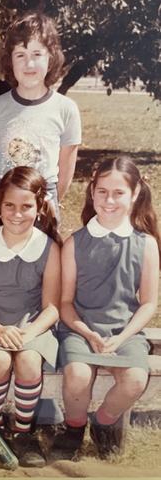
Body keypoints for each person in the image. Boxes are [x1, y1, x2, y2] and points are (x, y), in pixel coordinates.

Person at [54, 156, 159, 460]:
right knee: (77, 376)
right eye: (102, 191)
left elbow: (148, 302)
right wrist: (86, 331)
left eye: (118, 193)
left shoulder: (146, 244)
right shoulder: (75, 243)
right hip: (80, 328)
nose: (109, 200)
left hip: (124, 332)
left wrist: (123, 337)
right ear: (91, 191)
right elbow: (65, 303)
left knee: (135, 379)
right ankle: (73, 427)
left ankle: (103, 423)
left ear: (135, 193)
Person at [0, 166, 61, 467]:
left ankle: (23, 432)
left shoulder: (49, 247)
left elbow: (52, 308)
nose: (17, 214)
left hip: (33, 326)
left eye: (26, 206)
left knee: (29, 360)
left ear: (40, 206)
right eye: (9, 205)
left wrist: (28, 334)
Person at [0, 12, 81, 225]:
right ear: (10, 61)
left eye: (37, 54)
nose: (29, 63)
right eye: (20, 55)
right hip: (0, 203)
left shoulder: (66, 109)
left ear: (51, 58)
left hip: (43, 202)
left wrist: (44, 201)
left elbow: (65, 171)